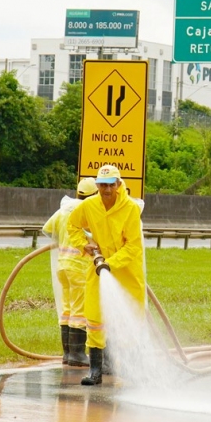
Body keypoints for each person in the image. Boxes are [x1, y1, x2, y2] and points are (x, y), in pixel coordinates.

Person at [66, 164, 146, 386]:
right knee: (95, 318)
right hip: (99, 269)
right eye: (102, 185)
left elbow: (132, 247)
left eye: (110, 185)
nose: (106, 190)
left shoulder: (130, 209)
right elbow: (72, 225)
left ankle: (131, 369)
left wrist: (110, 263)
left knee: (130, 319)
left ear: (118, 185)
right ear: (97, 186)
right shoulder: (90, 206)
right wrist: (84, 245)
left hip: (126, 271)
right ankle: (96, 371)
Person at [42, 177, 97, 366]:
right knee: (80, 310)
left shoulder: (64, 209)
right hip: (79, 267)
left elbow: (48, 230)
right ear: (94, 194)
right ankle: (77, 354)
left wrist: (64, 239)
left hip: (63, 266)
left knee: (67, 309)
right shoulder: (88, 211)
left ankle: (67, 353)